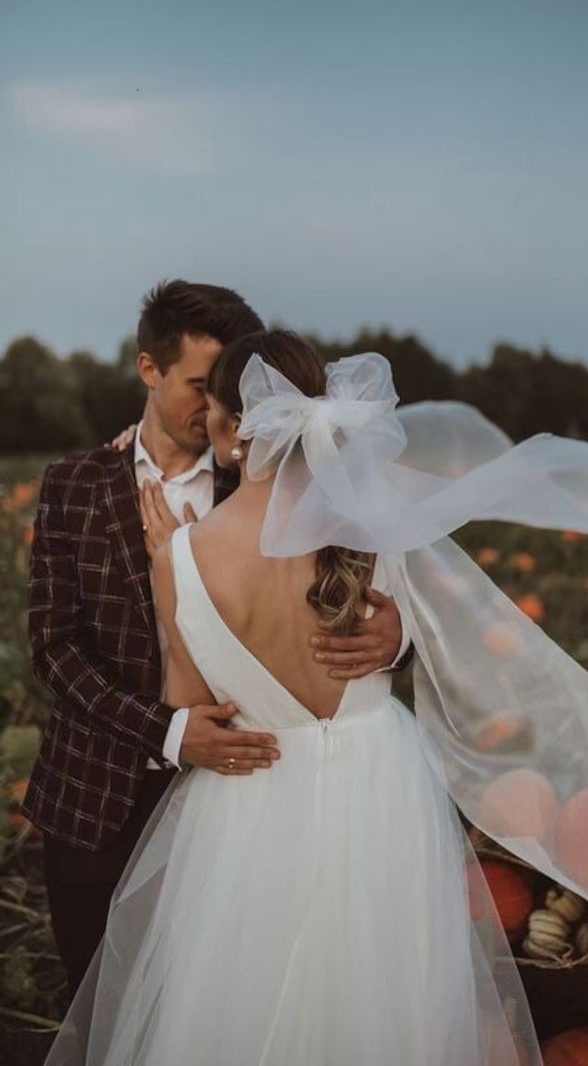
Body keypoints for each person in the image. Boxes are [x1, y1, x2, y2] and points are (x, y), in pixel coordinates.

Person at [46, 329, 588, 1065]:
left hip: (251, 794)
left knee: (247, 993)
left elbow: (190, 699)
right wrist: (400, 634)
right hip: (380, 785)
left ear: (230, 426)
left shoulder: (180, 557)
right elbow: (434, 638)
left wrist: (168, 568)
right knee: (392, 988)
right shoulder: (374, 533)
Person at [23, 283, 406, 997]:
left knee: (227, 996)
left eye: (229, 391)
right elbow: (54, 646)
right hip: (97, 792)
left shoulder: (272, 485)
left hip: (246, 804)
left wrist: (396, 636)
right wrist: (168, 733)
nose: (215, 408)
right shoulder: (75, 483)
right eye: (198, 386)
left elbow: (352, 591)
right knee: (96, 996)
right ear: (149, 370)